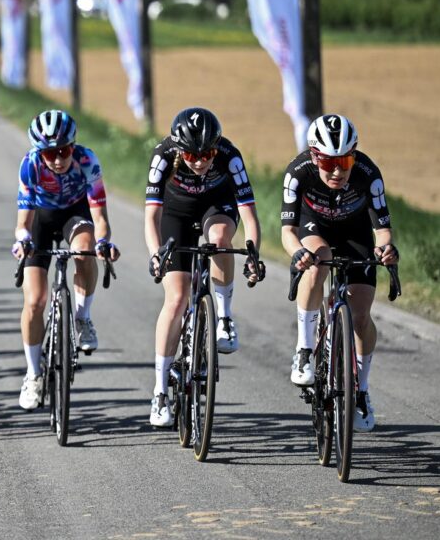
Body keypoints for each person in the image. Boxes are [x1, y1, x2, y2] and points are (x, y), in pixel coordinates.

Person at [143, 107, 264, 428]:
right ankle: (159, 393)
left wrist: (253, 253)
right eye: (192, 155)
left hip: (217, 207)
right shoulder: (163, 156)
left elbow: (249, 215)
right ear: (179, 149)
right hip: (176, 215)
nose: (200, 161)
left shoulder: (230, 156)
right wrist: (157, 254)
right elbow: (152, 216)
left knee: (221, 238)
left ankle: (223, 318)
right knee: (177, 298)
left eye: (207, 153)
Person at [282, 114, 398, 432]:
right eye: (329, 162)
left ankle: (360, 392)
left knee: (360, 316)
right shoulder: (298, 172)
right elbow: (287, 231)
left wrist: (385, 249)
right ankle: (304, 351)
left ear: (354, 155)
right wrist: (298, 253)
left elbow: (383, 230)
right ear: (314, 156)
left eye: (345, 160)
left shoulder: (367, 174)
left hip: (355, 233)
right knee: (319, 260)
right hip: (314, 227)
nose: (337, 171)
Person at [11, 110, 120, 411]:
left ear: (73, 146)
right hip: (42, 221)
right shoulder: (30, 165)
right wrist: (22, 239)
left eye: (64, 151)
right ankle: (33, 374)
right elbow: (24, 220)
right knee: (35, 301)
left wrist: (103, 242)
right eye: (50, 153)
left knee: (85, 250)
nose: (58, 159)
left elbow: (100, 216)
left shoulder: (87, 161)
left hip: (76, 214)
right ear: (39, 152)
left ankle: (83, 319)